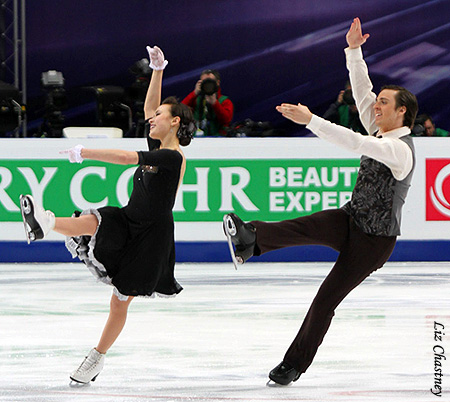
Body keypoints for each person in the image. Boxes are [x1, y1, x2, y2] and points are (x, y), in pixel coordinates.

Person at [223, 17, 418, 386]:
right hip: (352, 218)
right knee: (307, 224)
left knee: (325, 300)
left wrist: (311, 120)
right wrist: (355, 51)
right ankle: (250, 239)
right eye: (378, 103)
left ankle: (293, 365)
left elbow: (357, 143)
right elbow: (363, 94)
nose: (376, 107)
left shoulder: (398, 149)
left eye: (384, 104)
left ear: (402, 111)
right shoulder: (381, 129)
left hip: (374, 242)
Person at [19, 45, 196, 384]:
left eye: (160, 115)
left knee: (120, 302)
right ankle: (45, 222)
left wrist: (85, 151)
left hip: (151, 238)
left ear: (175, 121)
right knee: (98, 219)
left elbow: (128, 158)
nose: (152, 118)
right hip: (129, 219)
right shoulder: (160, 145)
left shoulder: (172, 158)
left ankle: (96, 359)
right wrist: (158, 70)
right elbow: (148, 108)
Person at [181, 69, 233, 136]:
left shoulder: (225, 101)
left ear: (217, 83)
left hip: (219, 139)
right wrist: (194, 93)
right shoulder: (196, 100)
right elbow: (180, 111)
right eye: (205, 82)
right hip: (197, 138)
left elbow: (226, 121)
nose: (208, 85)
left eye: (210, 82)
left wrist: (215, 104)